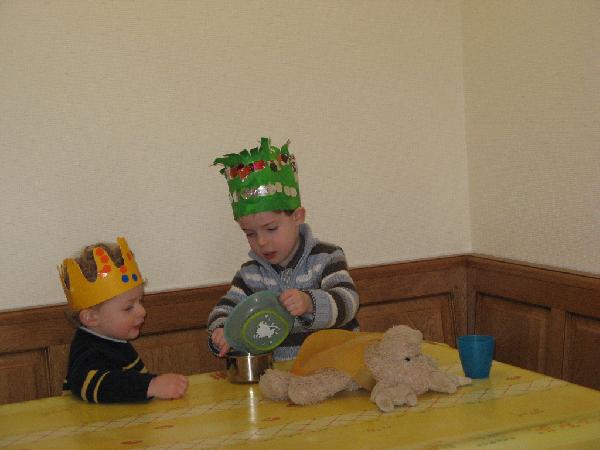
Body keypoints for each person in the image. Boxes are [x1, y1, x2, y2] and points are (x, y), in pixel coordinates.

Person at [208, 137, 360, 361]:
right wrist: (222, 330)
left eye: (271, 229)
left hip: (336, 364)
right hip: (283, 371)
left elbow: (349, 302)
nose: (261, 242)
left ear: (297, 217)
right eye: (250, 233)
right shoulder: (250, 275)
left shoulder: (326, 257)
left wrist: (309, 302)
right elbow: (226, 308)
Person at [58, 237, 188, 403]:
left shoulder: (113, 339)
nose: (142, 311)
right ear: (91, 317)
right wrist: (150, 386)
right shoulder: (88, 350)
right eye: (128, 308)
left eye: (140, 301)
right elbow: (102, 385)